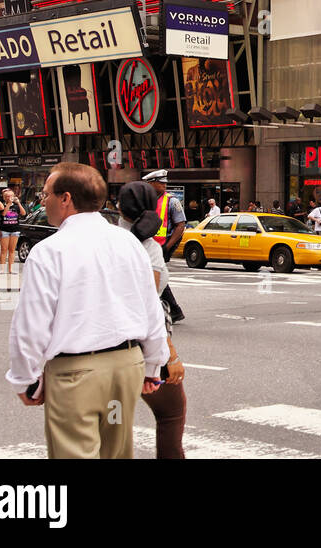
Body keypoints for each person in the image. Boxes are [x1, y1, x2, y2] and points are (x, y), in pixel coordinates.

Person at [6, 163, 169, 459]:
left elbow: (31, 324)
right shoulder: (129, 244)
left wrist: (25, 377)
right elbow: (150, 307)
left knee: (75, 453)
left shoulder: (50, 251)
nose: (45, 202)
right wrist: (154, 364)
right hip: (125, 369)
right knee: (116, 450)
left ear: (65, 198)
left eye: (46, 195)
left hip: (76, 376)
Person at [118, 181, 187, 459]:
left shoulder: (109, 238)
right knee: (171, 414)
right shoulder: (148, 247)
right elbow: (149, 307)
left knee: (109, 431)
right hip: (140, 348)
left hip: (99, 351)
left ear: (119, 207)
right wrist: (168, 355)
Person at [144, 170, 187, 324]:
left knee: (155, 274)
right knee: (154, 275)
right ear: (151, 183)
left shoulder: (172, 201)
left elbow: (180, 225)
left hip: (161, 246)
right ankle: (174, 310)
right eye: (161, 182)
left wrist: (167, 247)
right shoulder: (144, 199)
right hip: (147, 244)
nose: (164, 185)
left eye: (165, 183)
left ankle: (173, 310)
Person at [0, 187, 28, 274]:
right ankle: (2, 269)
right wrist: (8, 204)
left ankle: (11, 269)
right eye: (7, 196)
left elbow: (23, 213)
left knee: (12, 250)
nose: (9, 198)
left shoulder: (16, 206)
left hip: (15, 229)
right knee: (4, 250)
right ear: (4, 197)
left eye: (11, 196)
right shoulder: (1, 205)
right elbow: (3, 214)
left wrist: (18, 203)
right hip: (4, 229)